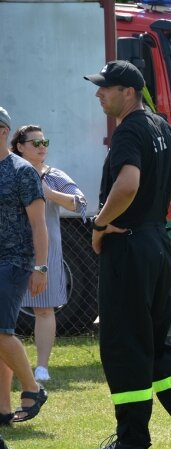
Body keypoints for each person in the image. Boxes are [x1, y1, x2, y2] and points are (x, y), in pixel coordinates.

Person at [79, 60, 171, 449]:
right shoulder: (161, 127)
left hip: (130, 245)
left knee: (125, 344)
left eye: (106, 87)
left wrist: (101, 225)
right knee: (158, 343)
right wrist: (153, 204)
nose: (99, 93)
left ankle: (132, 441)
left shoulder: (130, 131)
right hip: (157, 243)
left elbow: (128, 183)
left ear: (129, 92)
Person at [12, 125, 87, 382]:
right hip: (10, 250)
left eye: (45, 141)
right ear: (20, 146)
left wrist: (50, 194)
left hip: (46, 252)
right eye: (35, 142)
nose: (42, 146)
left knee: (44, 309)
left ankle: (41, 367)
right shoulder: (8, 172)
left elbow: (80, 203)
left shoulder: (53, 175)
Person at [0, 106, 49, 427]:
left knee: (0, 331)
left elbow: (39, 225)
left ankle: (33, 388)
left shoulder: (22, 171)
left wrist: (40, 267)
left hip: (14, 261)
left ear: (2, 131)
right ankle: (3, 410)